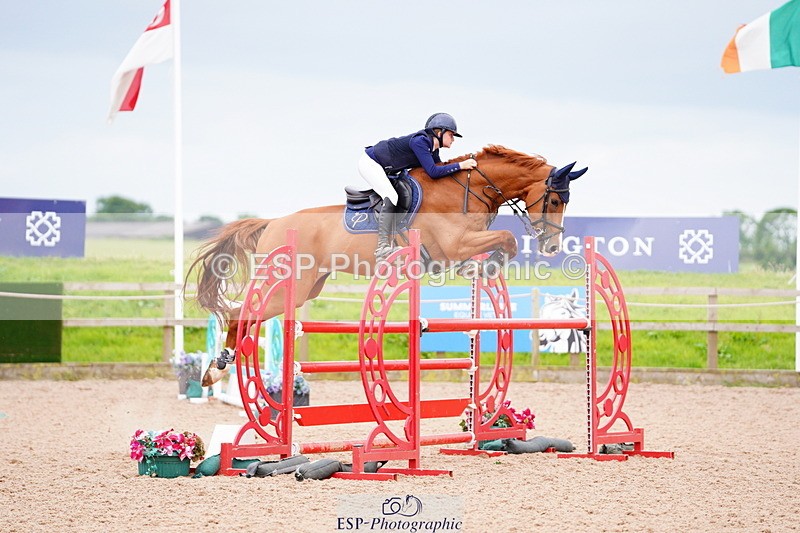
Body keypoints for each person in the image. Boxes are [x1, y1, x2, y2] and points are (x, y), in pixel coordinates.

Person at [359, 112, 478, 259]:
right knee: (391, 196)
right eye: (451, 135)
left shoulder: (433, 150)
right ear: (439, 132)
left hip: (389, 168)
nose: (453, 139)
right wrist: (461, 165)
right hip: (371, 163)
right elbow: (433, 172)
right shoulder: (420, 142)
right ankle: (382, 246)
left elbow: (439, 173)